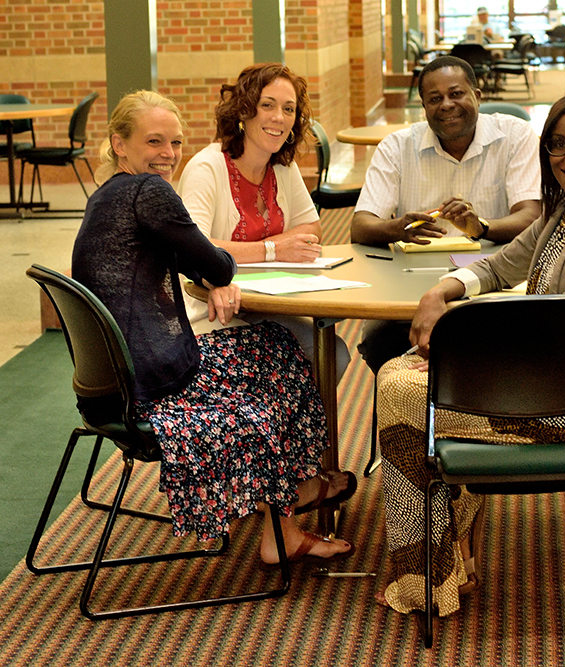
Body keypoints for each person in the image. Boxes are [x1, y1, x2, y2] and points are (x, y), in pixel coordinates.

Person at [374, 92, 565, 616]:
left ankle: (430, 570)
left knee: (409, 394)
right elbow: (497, 267)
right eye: (558, 146)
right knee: (399, 380)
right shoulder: (564, 211)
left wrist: (469, 347)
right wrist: (442, 291)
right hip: (538, 375)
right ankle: (440, 560)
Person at [72, 90, 357, 567]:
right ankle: (290, 501)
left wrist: (210, 271)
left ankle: (284, 512)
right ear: (119, 144)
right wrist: (220, 271)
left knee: (276, 347)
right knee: (278, 369)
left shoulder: (107, 196)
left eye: (175, 143)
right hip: (155, 385)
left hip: (113, 382)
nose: (168, 155)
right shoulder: (150, 191)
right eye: (154, 142)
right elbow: (211, 258)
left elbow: (187, 258)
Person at [352, 55, 541, 373]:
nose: (446, 105)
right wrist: (397, 228)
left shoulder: (515, 137)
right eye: (434, 99)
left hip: (494, 284)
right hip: (410, 283)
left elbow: (531, 218)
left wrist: (480, 226)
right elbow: (361, 226)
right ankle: (409, 416)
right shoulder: (397, 147)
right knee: (382, 337)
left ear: (477, 97)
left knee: (519, 334)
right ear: (423, 107)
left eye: (456, 94)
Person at [178, 63, 350, 378]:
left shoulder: (282, 165)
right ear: (244, 110)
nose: (279, 118)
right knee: (322, 356)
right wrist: (273, 250)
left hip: (269, 303)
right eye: (267, 105)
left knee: (333, 354)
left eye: (289, 109)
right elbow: (195, 249)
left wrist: (274, 248)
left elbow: (312, 229)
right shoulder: (207, 168)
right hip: (215, 308)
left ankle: (299, 425)